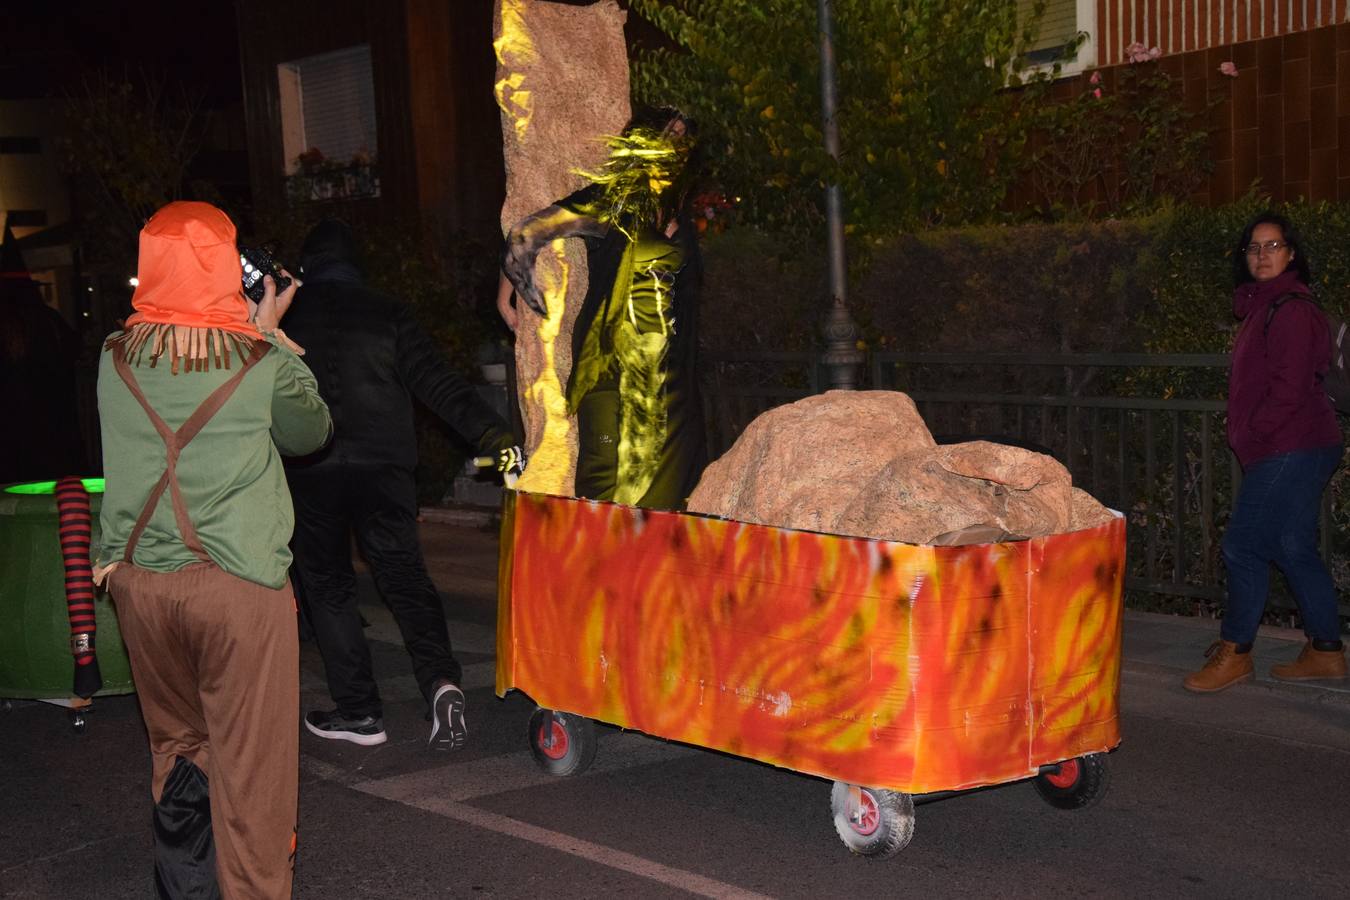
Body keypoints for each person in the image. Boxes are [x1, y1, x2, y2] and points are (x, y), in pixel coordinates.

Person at [95, 201, 331, 897]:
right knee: (253, 776)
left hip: (140, 587)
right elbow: (311, 433)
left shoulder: (114, 359)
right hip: (238, 591)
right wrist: (272, 334)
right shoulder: (257, 361)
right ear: (229, 266)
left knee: (178, 749)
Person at [283, 218, 520, 750]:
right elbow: (437, 383)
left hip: (311, 472)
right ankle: (441, 683)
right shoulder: (389, 313)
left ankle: (361, 712)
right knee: (406, 580)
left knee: (329, 587)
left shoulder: (285, 320)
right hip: (384, 472)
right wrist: (492, 432)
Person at [501, 109, 707, 509]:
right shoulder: (609, 203)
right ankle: (599, 566)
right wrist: (506, 295)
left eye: (682, 137)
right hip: (612, 365)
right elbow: (529, 231)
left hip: (667, 379)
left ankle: (646, 570)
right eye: (667, 135)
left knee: (663, 502)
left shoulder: (678, 212)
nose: (674, 146)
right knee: (605, 489)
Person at [1185, 212, 1347, 692]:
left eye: (1273, 246)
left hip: (1290, 444)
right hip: (1300, 443)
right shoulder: (1266, 306)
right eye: (1254, 248)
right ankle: (1326, 651)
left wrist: (1254, 435)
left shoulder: (1292, 309)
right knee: (1292, 545)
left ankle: (1235, 651)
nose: (1262, 255)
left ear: (1291, 253)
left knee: (1242, 545)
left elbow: (1290, 389)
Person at [0, 221, 83, 484]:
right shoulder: (48, 320)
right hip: (51, 429)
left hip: (13, 432)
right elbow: (73, 353)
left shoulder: (42, 321)